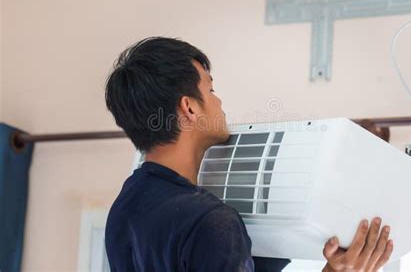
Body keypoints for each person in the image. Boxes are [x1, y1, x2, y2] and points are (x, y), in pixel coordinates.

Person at [104, 37, 394, 272]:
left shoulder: (125, 208)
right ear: (189, 108)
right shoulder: (209, 219)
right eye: (211, 88)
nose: (219, 101)